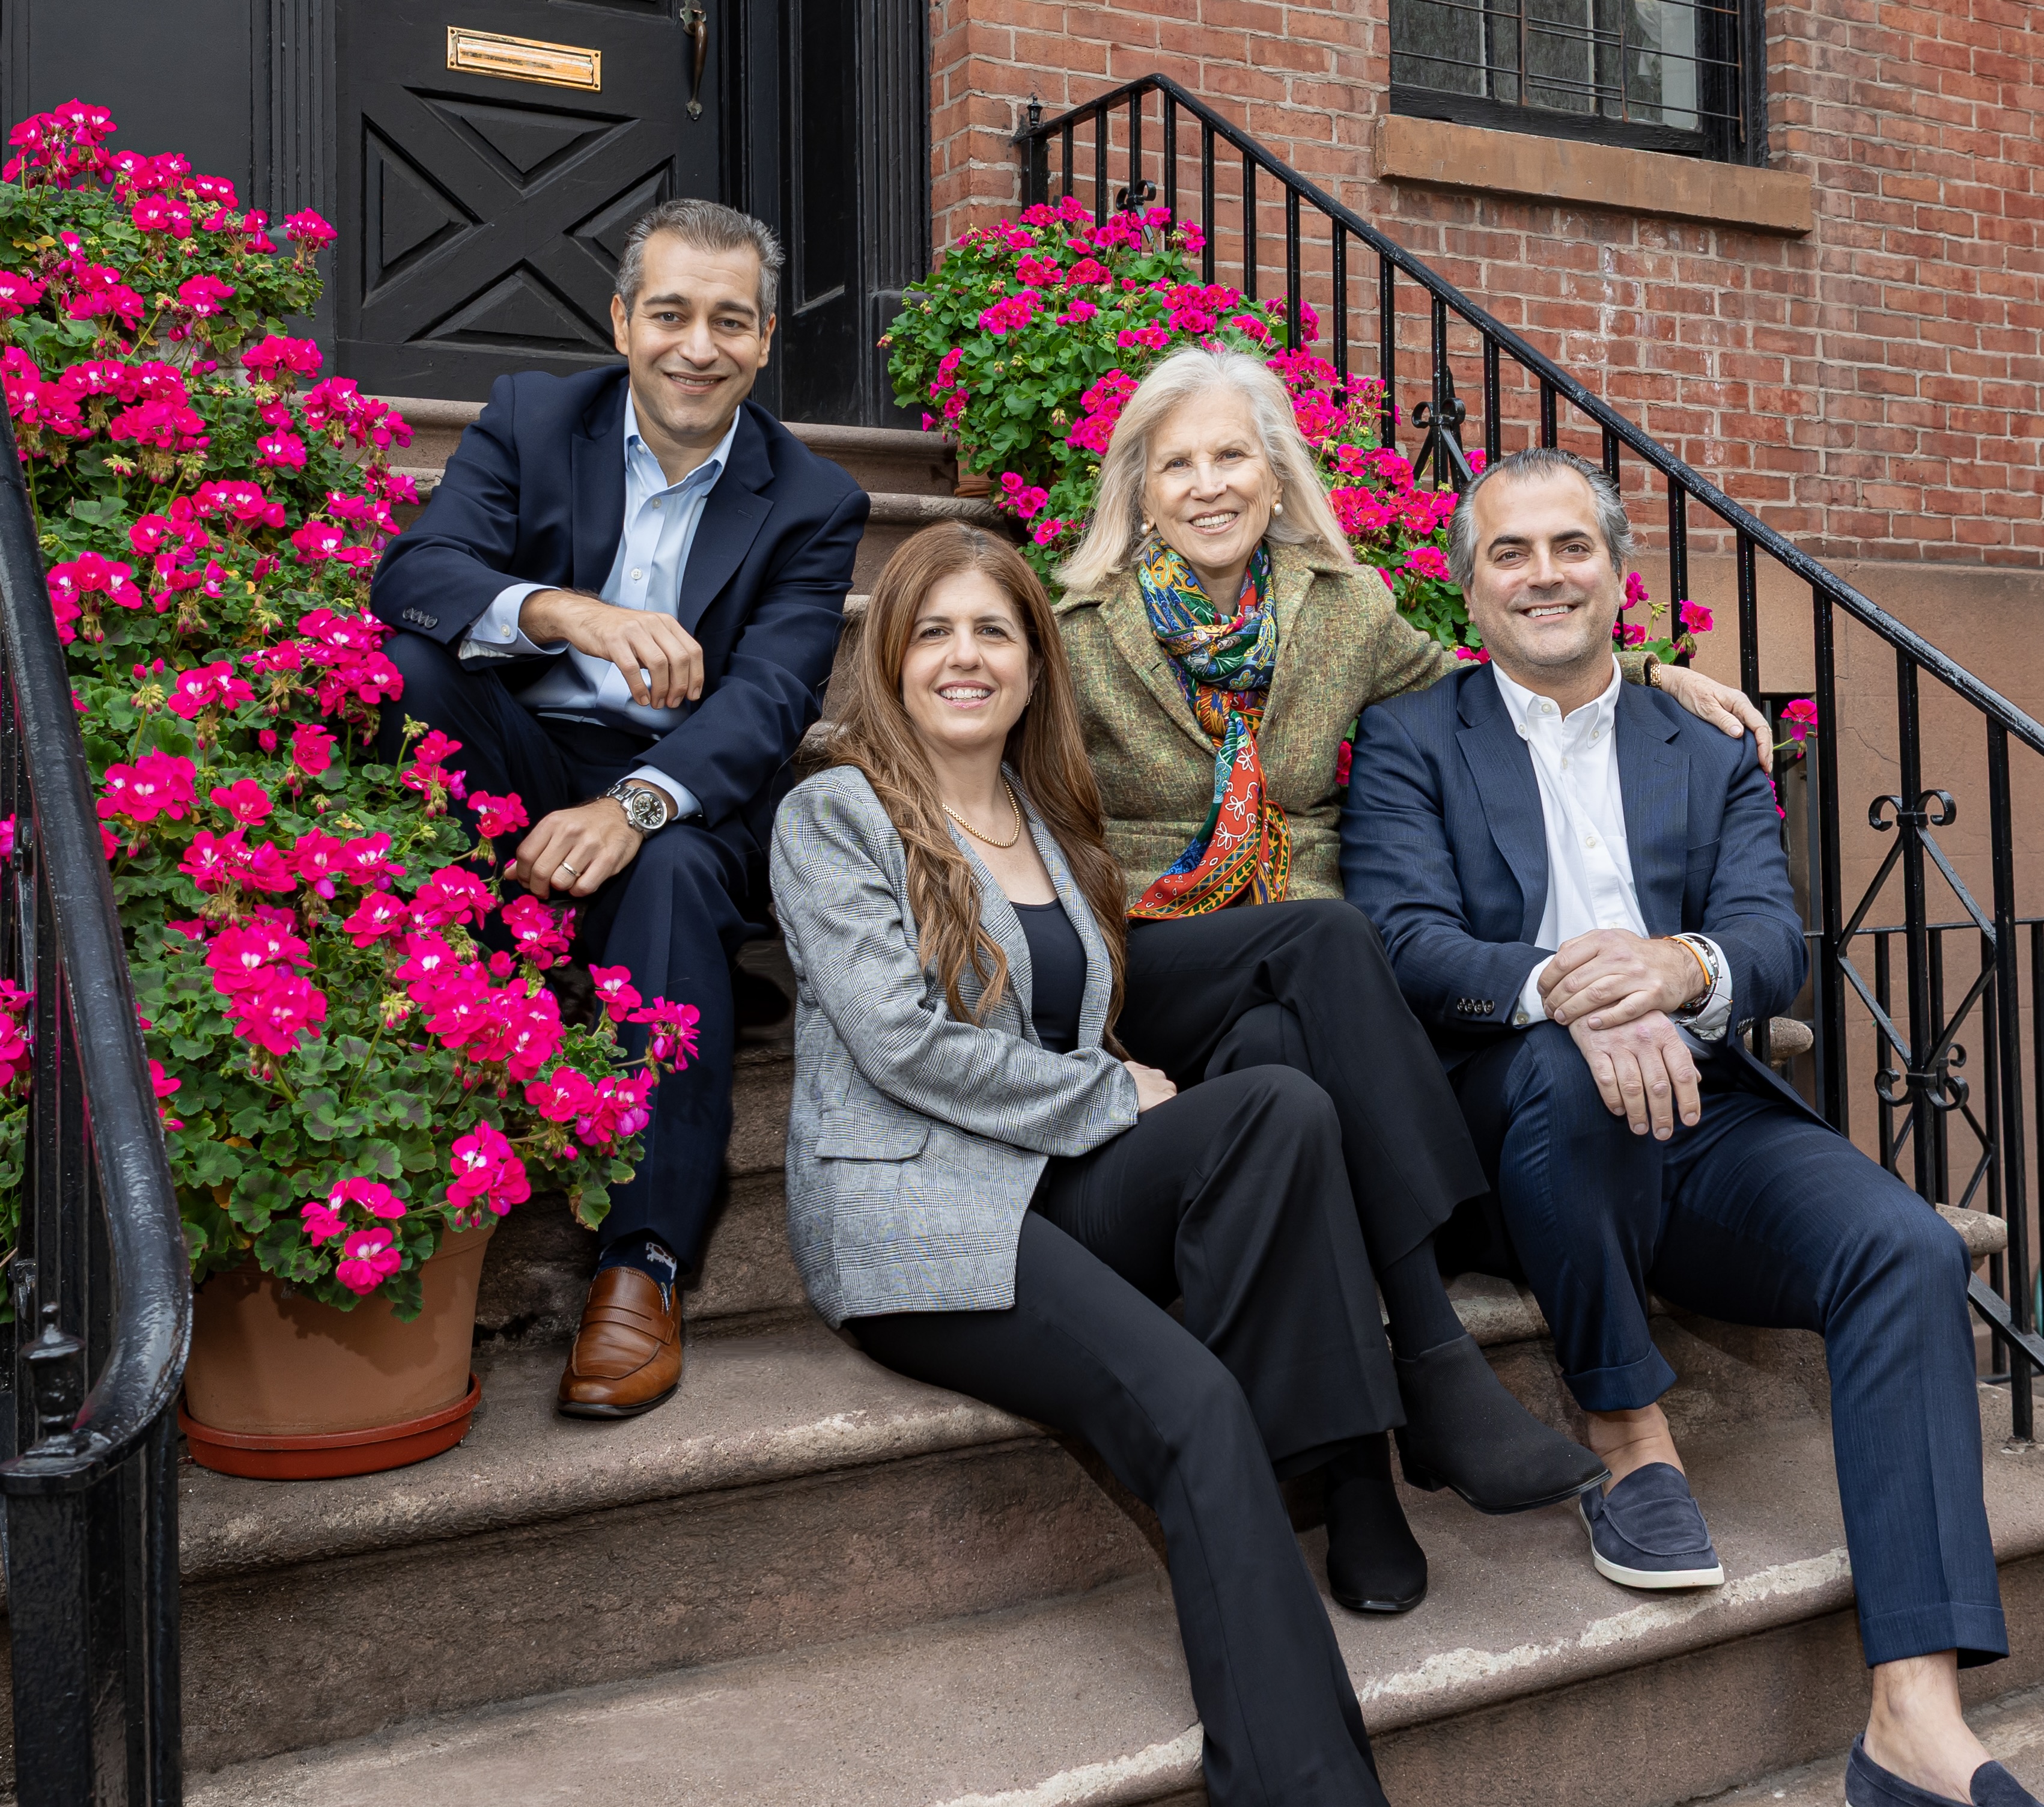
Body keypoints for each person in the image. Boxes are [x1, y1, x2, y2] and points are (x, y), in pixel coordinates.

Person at [1341, 445, 2034, 1807]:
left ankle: (1914, 1716)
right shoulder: (1416, 738)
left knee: (1907, 1251)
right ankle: (1626, 1433)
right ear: (1468, 588)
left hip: (1701, 1121)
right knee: (1563, 1069)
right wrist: (1567, 991)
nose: (1544, 574)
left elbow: (1773, 935)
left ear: (1618, 573)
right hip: (1516, 1124)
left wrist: (1681, 971)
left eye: (1571, 548)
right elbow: (1401, 940)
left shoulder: (1703, 742)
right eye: (1509, 553)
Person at [1050, 346, 1773, 1588]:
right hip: (1155, 960)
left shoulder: (1348, 612)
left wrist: (1647, 674)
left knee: (1293, 1075)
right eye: (1180, 464)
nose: (1211, 483)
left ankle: (1355, 1476)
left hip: (1301, 1003)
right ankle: (1435, 1359)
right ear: (1141, 490)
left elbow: (1492, 685)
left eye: (1234, 456)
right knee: (1334, 936)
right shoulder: (1075, 633)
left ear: (1277, 478)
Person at [773, 520, 1411, 1806]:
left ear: (1031, 662)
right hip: (915, 1210)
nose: (965, 657)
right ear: (890, 658)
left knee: (1278, 1105)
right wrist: (1104, 1088)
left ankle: (1309, 1453)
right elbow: (900, 1043)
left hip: (1038, 1183)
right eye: (935, 631)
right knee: (1191, 1407)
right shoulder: (832, 812)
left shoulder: (1045, 821)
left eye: (993, 631)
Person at [370, 198, 869, 1420]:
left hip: (687, 784)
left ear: (762, 345)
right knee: (411, 666)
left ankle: (643, 1262)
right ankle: (487, 968)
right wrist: (569, 612)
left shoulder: (813, 500)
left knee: (678, 877)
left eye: (730, 322)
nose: (698, 346)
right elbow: (416, 575)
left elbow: (768, 699)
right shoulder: (538, 419)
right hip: (531, 740)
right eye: (672, 314)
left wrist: (638, 803)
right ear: (622, 322)